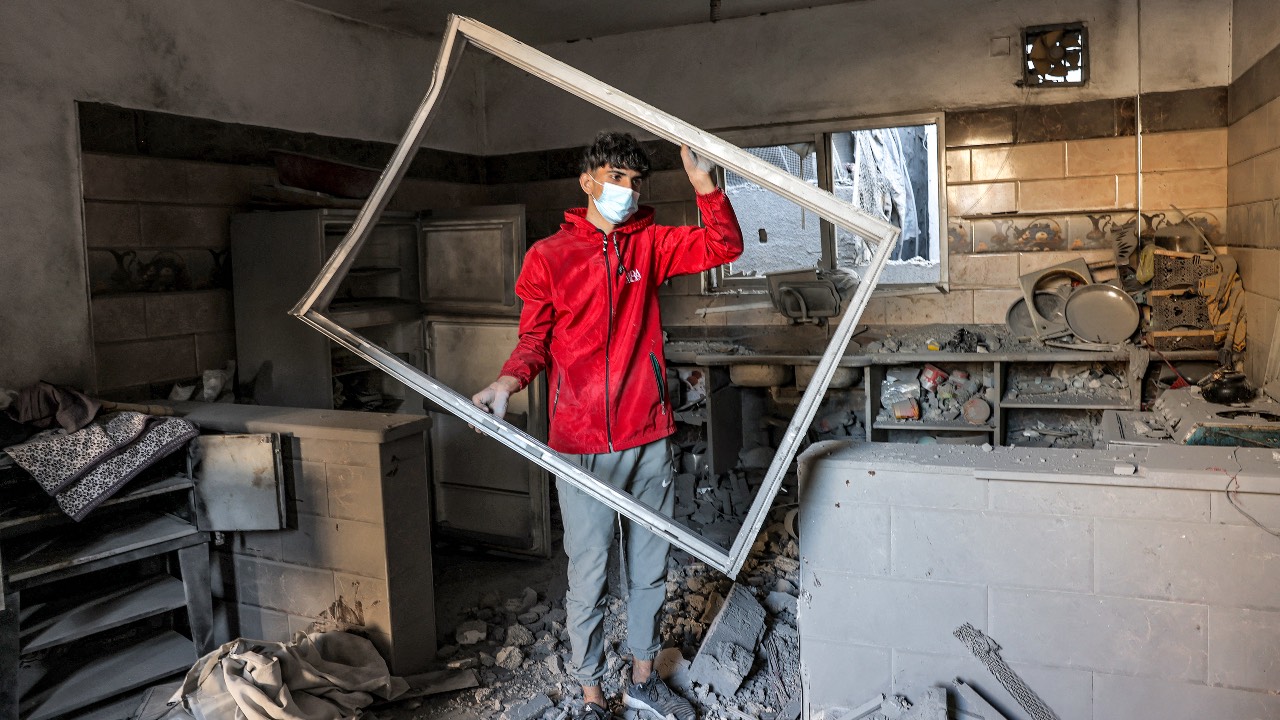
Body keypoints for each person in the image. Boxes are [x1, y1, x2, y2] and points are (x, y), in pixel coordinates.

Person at [471, 131, 743, 719]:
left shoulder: (649, 245)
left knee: (649, 568)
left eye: (635, 180)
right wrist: (506, 383)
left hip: (648, 436)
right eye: (615, 177)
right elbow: (534, 341)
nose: (626, 189)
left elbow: (724, 247)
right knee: (589, 574)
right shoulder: (549, 257)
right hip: (580, 444)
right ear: (587, 181)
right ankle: (592, 692)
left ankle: (643, 676)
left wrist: (703, 186)